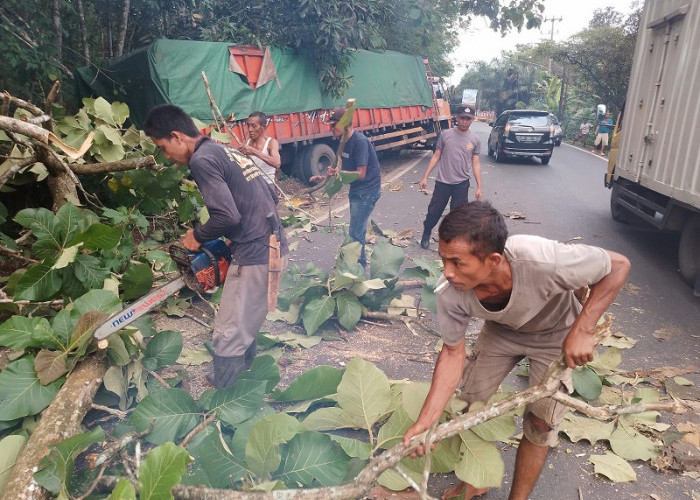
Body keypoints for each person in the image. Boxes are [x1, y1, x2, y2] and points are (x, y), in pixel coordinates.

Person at [402, 200, 630, 500]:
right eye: (443, 259)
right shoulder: (450, 293)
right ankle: (476, 479)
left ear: (493, 260)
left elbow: (618, 266)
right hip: (501, 332)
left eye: (457, 262)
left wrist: (583, 329)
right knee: (469, 406)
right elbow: (452, 353)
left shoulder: (542, 259)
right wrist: (426, 420)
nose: (447, 272)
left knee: (540, 422)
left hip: (556, 333)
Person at [143, 104, 288, 389]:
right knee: (242, 320)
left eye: (162, 147)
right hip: (274, 243)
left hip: (256, 253)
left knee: (228, 331)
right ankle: (242, 381)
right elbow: (269, 194)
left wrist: (197, 236)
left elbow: (227, 215)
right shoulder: (226, 150)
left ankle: (224, 397)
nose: (166, 156)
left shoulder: (201, 160)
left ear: (177, 136)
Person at [315, 106, 381, 269]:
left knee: (356, 234)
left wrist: (340, 173)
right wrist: (333, 171)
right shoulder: (343, 142)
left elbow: (361, 174)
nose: (330, 128)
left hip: (367, 191)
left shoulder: (360, 142)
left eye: (333, 124)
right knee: (356, 231)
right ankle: (355, 268)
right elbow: (342, 164)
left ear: (344, 124)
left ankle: (359, 271)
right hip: (357, 189)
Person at [419, 104, 482, 250]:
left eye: (468, 119)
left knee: (458, 216)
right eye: (462, 118)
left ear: (472, 120)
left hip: (461, 184)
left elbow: (476, 163)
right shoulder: (445, 135)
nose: (465, 121)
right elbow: (436, 156)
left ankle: (452, 242)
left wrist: (479, 186)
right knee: (434, 212)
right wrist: (425, 177)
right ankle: (426, 232)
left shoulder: (475, 139)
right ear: (457, 117)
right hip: (443, 183)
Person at [237, 111, 281, 187]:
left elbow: (277, 163)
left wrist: (253, 151)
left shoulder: (271, 143)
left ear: (263, 127)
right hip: (252, 185)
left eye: (254, 126)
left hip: (267, 185)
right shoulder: (246, 144)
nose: (250, 129)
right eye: (248, 126)